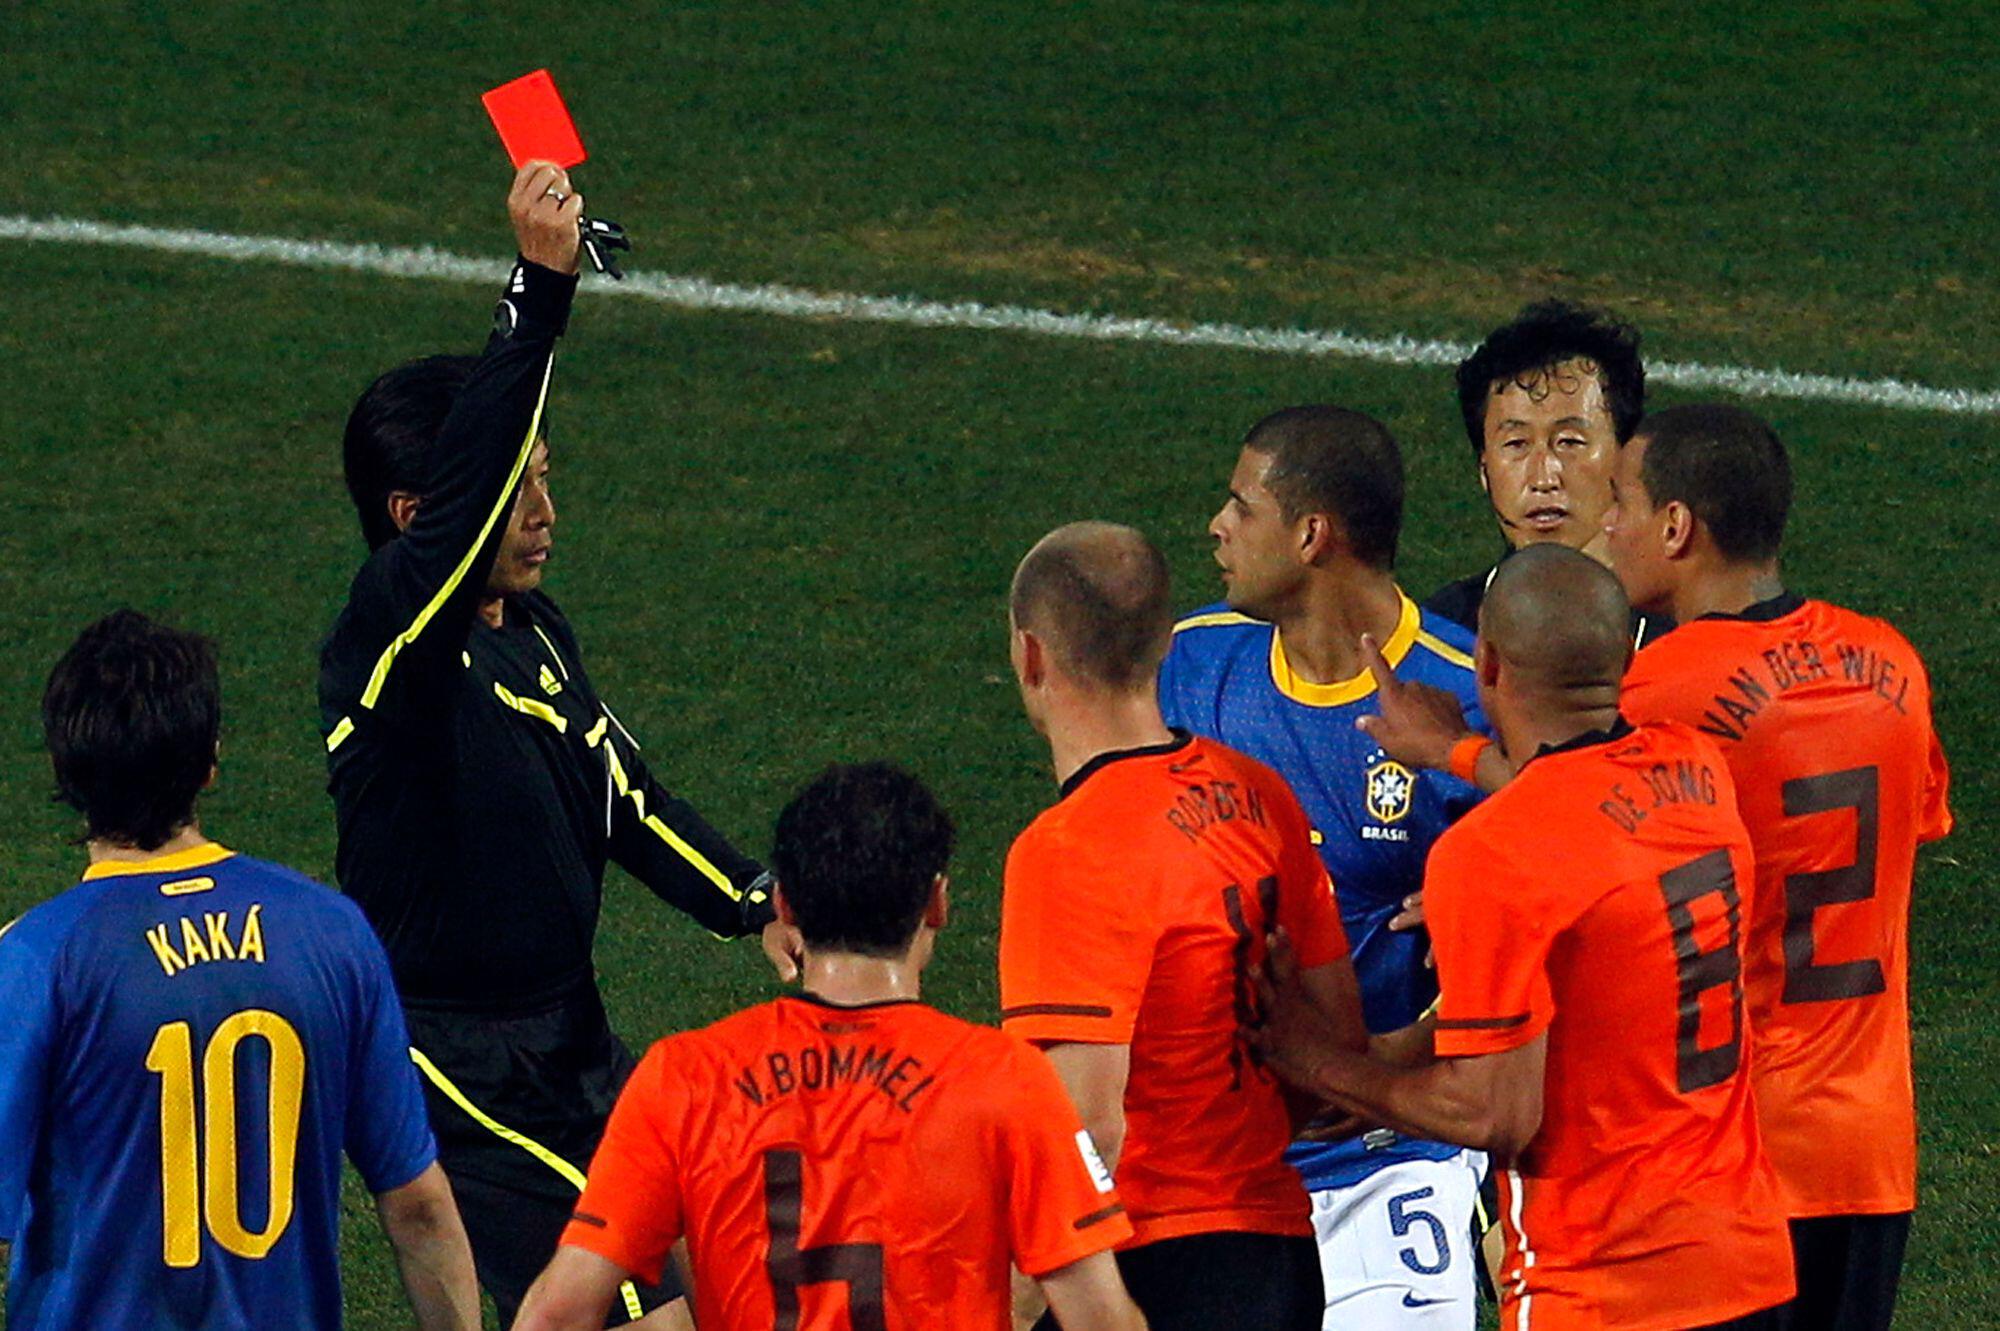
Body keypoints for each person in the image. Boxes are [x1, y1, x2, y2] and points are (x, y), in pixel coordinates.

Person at [318, 162, 795, 1328]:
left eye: (547, 478)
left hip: (571, 1032)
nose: (543, 513)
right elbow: (465, 491)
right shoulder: (388, 646)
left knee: (732, 1248)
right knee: (627, 1301)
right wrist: (535, 292)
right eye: (515, 489)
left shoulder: (529, 628)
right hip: (451, 1060)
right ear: (413, 519)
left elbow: (618, 787)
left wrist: (758, 894)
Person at [1254, 546, 1797, 1330]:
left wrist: (1316, 1061)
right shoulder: (1696, 770)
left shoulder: (1493, 855)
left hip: (1607, 1289)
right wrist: (1458, 753)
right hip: (1745, 1265)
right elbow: (1585, 881)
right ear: (1625, 656)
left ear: (1489, 664)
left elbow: (1490, 1116)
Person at [511, 762, 1147, 1331]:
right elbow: (1102, 1318)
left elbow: (556, 1313)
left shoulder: (682, 1079)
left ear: (784, 905)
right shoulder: (1008, 1081)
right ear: (938, 903)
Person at [0, 610, 479, 1329]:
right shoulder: (332, 931)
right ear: (210, 760)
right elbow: (418, 1206)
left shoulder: (37, 959)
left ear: (65, 768)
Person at [1604, 404, 1952, 1331]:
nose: (1607, 526)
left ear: (1677, 528)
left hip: (1737, 1148)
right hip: (1872, 1153)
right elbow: (1913, 826)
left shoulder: (1664, 688)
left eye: (1619, 503)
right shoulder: (1894, 662)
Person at [1156, 408, 1489, 1326]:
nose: (1216, 527)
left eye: (1240, 505)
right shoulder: (1189, 662)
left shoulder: (1463, 700)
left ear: (1311, 536)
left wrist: (1392, 1059)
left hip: (1392, 1146)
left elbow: (1555, 937)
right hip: (1218, 1156)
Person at [1001, 521, 1368, 1331]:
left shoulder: (1065, 849)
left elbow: (1085, 1129)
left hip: (1149, 1270)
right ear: (1166, 642)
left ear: (1031, 655)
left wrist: (1008, 1305)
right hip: (1276, 1257)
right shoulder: (1260, 794)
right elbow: (1337, 1044)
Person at [1426, 300, 1670, 649]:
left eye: (1569, 442)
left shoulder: (1676, 642)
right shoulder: (1444, 634)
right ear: (1484, 470)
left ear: (1627, 458)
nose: (1544, 477)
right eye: (1516, 444)